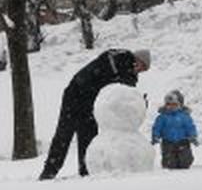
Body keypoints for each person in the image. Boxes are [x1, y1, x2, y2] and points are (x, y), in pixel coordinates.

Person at [38, 49, 151, 180]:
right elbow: (108, 63)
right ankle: (49, 171)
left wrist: (138, 101)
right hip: (75, 93)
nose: (140, 70)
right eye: (142, 66)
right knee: (64, 133)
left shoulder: (129, 75)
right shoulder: (119, 57)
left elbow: (125, 94)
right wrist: (122, 78)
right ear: (137, 59)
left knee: (88, 135)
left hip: (91, 101)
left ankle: (86, 171)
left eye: (143, 70)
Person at [151, 90, 198, 169]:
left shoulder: (184, 116)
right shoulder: (162, 117)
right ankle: (169, 164)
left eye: (174, 104)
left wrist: (192, 136)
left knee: (185, 160)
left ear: (180, 105)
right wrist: (155, 136)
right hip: (168, 142)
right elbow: (157, 127)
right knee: (169, 162)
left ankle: (184, 163)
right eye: (168, 104)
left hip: (182, 141)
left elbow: (190, 127)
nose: (171, 107)